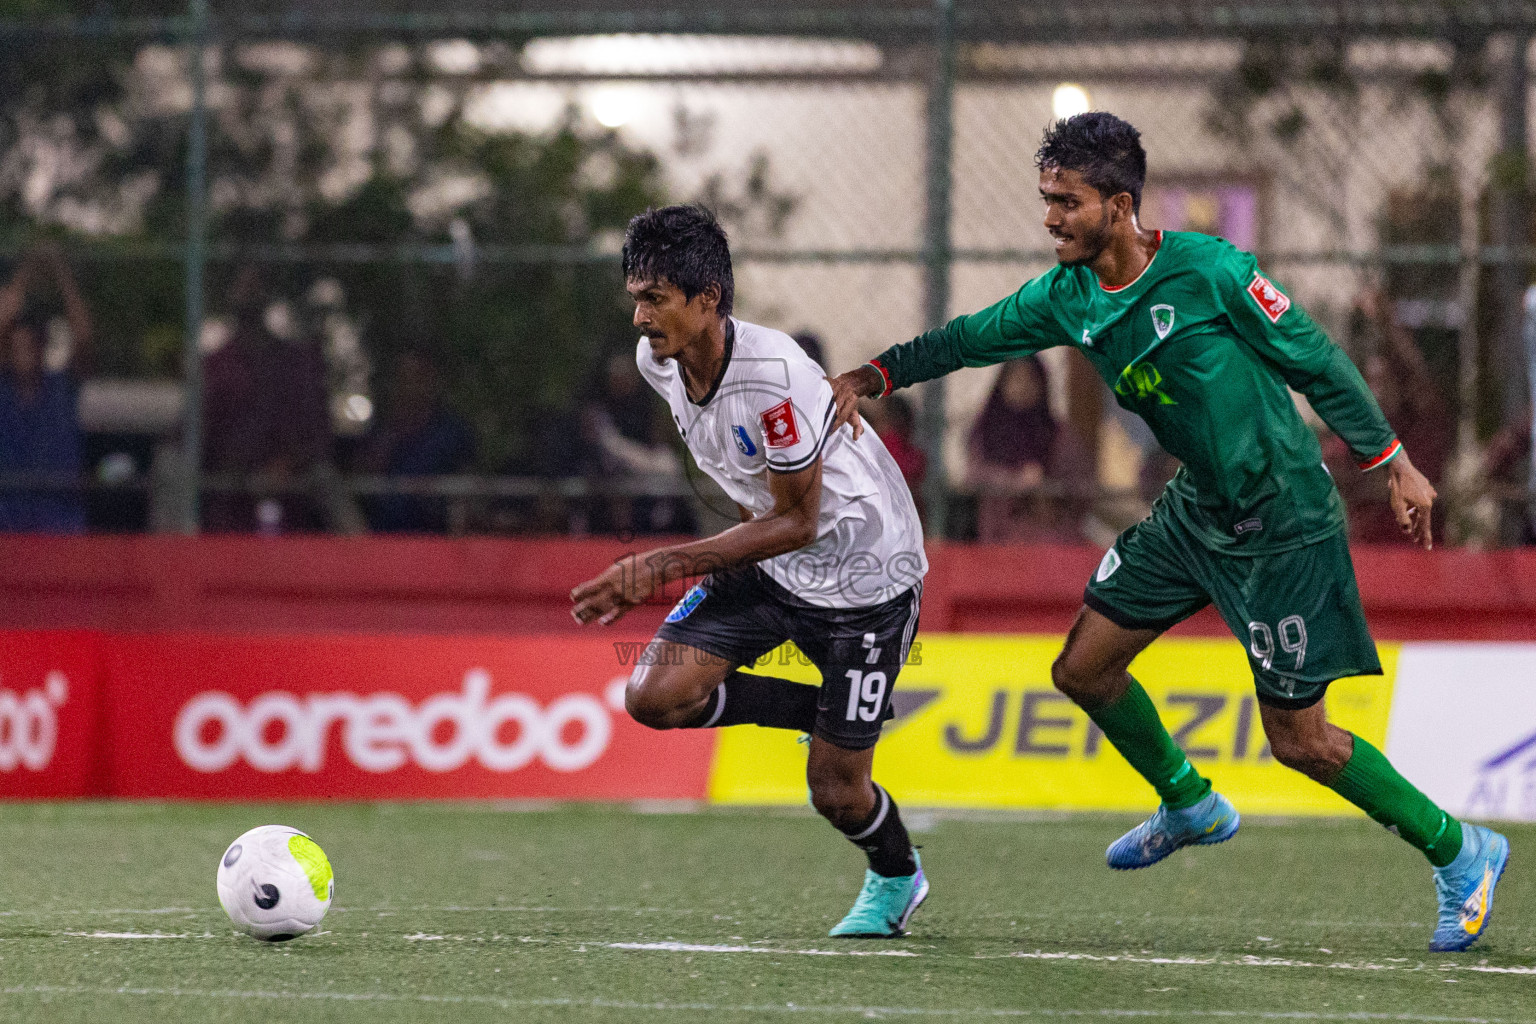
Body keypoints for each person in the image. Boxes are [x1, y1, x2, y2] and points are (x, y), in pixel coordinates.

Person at [828, 112, 1507, 953]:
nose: (1049, 218)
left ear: (1119, 206)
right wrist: (876, 373)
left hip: (1282, 522)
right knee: (1083, 667)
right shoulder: (1065, 297)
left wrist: (1393, 461)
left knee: (1301, 741)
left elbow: (1315, 361)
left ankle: (1461, 849)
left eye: (1065, 202)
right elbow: (967, 339)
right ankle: (1188, 801)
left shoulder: (1214, 272)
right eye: (1045, 199)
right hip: (1198, 514)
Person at [571, 205, 929, 938]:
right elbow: (765, 504)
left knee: (835, 792)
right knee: (654, 694)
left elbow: (799, 518)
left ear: (709, 300)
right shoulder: (658, 361)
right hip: (775, 563)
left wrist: (663, 564)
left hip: (867, 580)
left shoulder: (774, 380)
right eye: (636, 296)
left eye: (656, 299)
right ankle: (816, 711)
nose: (640, 317)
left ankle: (898, 874)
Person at [0, 242, 93, 533]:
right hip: (9, 522)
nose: (23, 351)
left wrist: (61, 272)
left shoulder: (62, 387)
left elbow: (84, 337)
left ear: (43, 347)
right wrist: (26, 270)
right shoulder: (3, 389)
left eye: (31, 344)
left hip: (60, 522)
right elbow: (3, 320)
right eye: (17, 346)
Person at [967, 356, 1090, 543]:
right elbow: (974, 475)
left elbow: (1082, 486)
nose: (1023, 387)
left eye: (1030, 380)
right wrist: (1016, 481)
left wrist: (1048, 487)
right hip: (998, 538)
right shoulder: (986, 431)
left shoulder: (1058, 434)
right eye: (1016, 379)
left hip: (1052, 540)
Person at [356, 348, 476, 533]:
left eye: (416, 378)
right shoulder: (381, 429)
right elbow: (363, 480)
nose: (408, 386)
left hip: (432, 539)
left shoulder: (453, 432)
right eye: (402, 379)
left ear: (432, 381)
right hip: (380, 538)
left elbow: (466, 490)